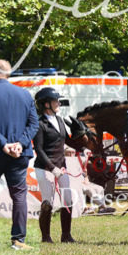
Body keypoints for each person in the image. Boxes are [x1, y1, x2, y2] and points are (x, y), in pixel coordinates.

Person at [0, 59, 40, 250]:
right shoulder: (25, 94)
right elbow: (33, 125)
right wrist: (20, 144)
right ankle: (18, 239)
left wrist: (4, 145)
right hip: (19, 155)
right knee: (19, 195)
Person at [33, 87, 78, 243]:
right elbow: (38, 148)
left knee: (68, 199)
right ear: (46, 105)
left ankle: (66, 235)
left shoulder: (59, 119)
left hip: (61, 166)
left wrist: (71, 149)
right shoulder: (40, 124)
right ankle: (46, 237)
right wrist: (52, 168)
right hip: (45, 167)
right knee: (47, 202)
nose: (58, 103)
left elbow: (62, 141)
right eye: (55, 101)